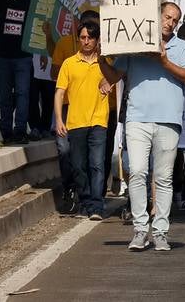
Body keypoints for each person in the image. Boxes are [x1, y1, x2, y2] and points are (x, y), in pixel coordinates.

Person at [99, 1, 185, 252]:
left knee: (164, 178)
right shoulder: (136, 43)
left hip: (169, 120)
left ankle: (161, 231)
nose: (170, 23)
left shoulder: (182, 46)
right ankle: (141, 229)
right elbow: (113, 77)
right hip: (137, 119)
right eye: (167, 17)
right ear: (157, 16)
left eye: (175, 20)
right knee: (138, 172)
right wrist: (101, 58)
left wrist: (166, 63)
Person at [54, 20, 110, 220]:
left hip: (98, 121)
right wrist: (59, 119)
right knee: (78, 164)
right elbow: (60, 93)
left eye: (90, 38)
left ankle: (96, 205)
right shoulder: (69, 63)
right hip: (75, 121)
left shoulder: (106, 63)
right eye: (83, 38)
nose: (86, 42)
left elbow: (119, 75)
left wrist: (108, 79)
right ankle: (86, 200)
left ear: (97, 40)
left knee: (97, 163)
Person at [0, 0, 33, 143]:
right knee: (5, 96)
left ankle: (20, 130)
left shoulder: (30, 0)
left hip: (23, 56)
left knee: (23, 94)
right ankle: (6, 130)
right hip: (2, 56)